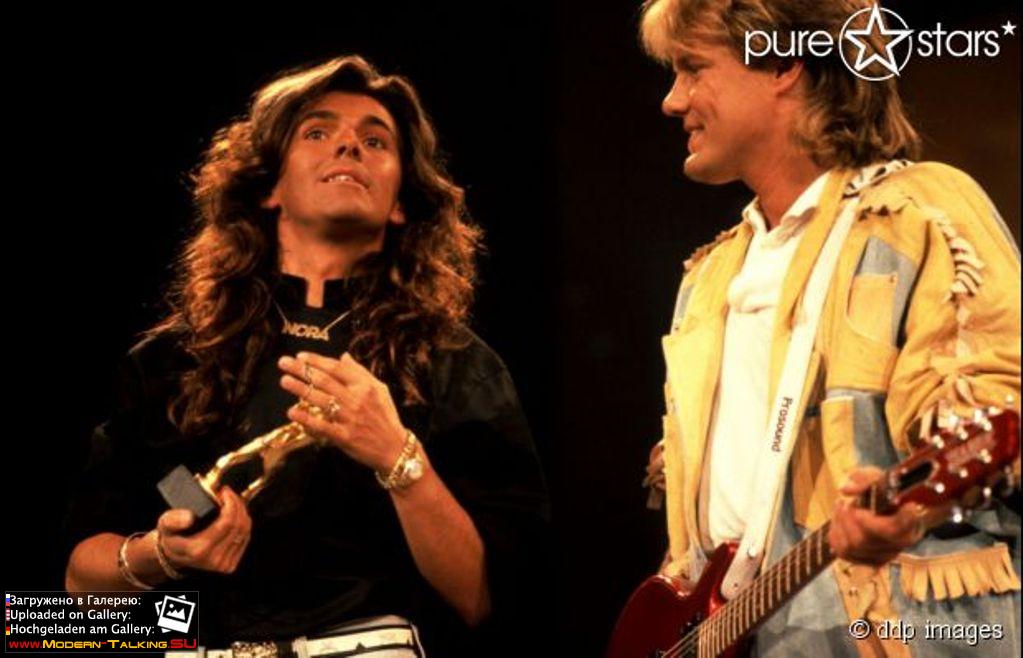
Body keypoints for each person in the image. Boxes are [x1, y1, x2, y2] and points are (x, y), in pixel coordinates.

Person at [62, 55, 549, 658]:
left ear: (400, 201)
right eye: (317, 132)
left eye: (376, 140)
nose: (349, 146)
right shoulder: (170, 359)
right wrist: (162, 554)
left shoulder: (457, 366)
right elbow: (70, 602)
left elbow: (488, 601)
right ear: (270, 187)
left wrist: (399, 458)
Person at [638, 0, 1021, 655]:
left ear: (781, 65)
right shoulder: (709, 275)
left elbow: (999, 413)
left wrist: (915, 510)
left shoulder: (919, 212)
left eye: (693, 68)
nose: (673, 101)